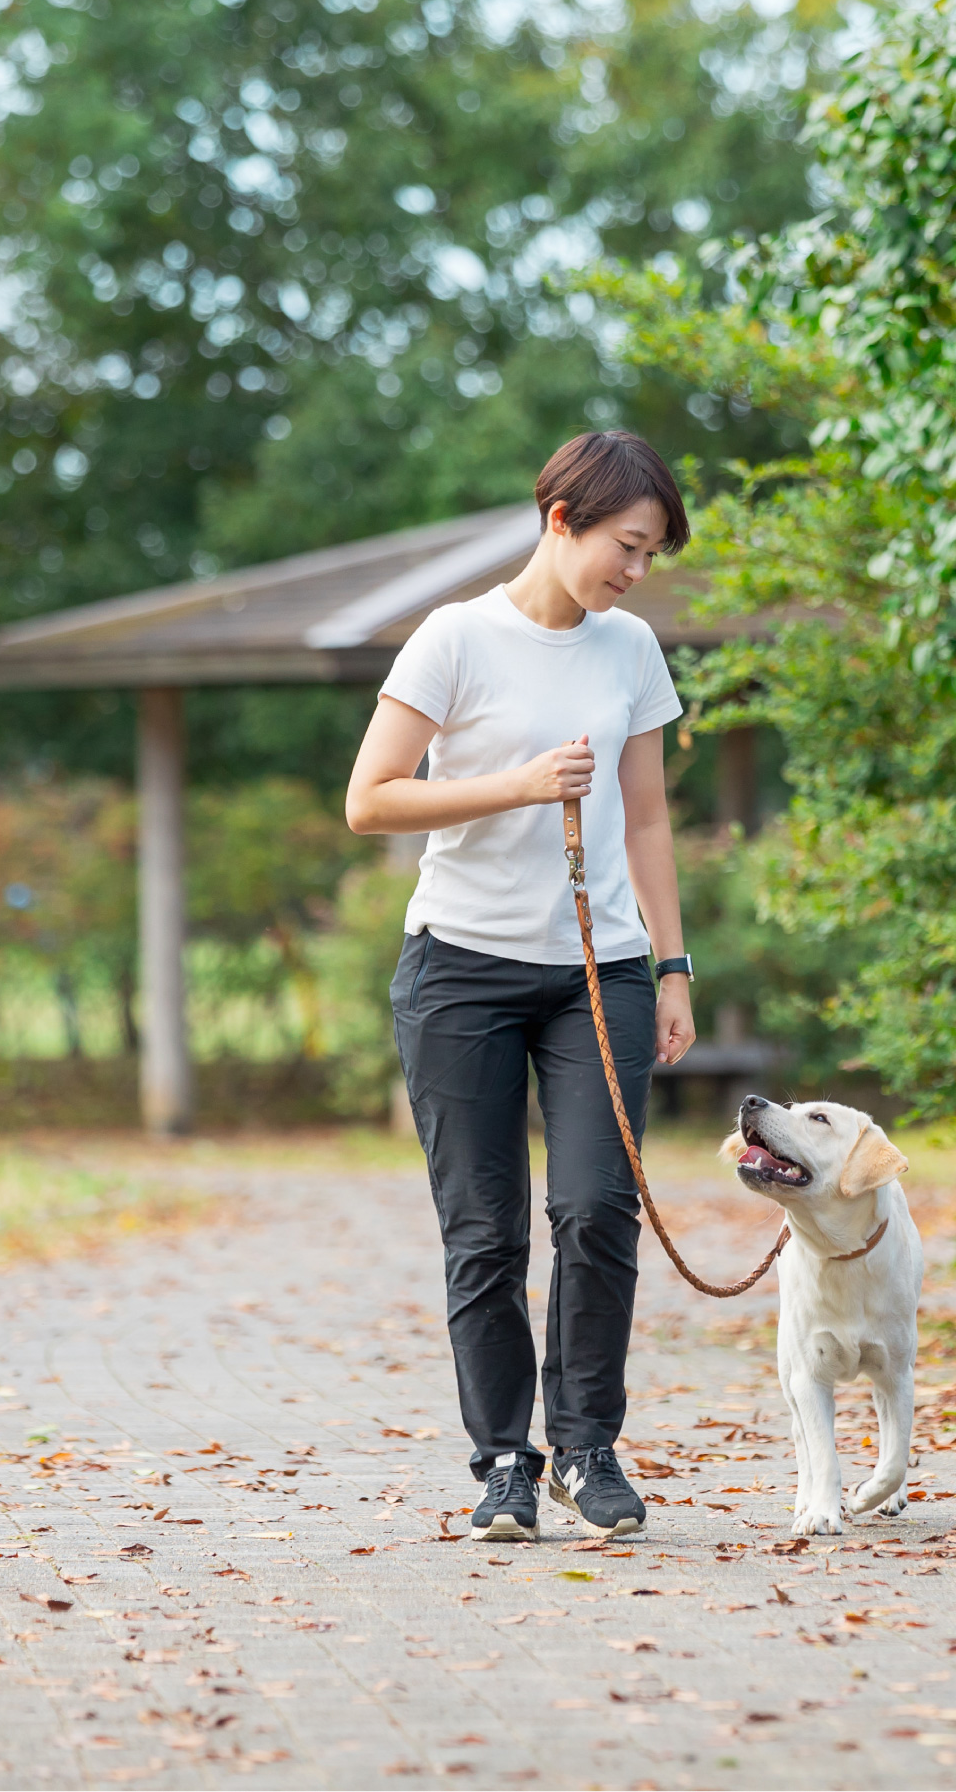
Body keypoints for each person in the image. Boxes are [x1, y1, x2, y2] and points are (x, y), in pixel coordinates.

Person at [344, 431, 699, 1542]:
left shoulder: (630, 647)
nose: (634, 571)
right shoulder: (454, 639)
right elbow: (370, 800)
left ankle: (586, 1447)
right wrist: (518, 785)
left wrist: (674, 964)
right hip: (459, 972)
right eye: (625, 545)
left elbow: (644, 817)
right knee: (484, 1232)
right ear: (561, 522)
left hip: (597, 971)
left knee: (596, 1208)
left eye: (649, 554)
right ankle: (504, 1456)